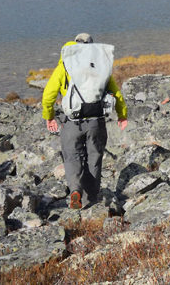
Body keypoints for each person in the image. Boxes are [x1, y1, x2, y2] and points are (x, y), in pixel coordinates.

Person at [41, 32, 128, 209]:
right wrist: (122, 114)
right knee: (94, 158)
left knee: (72, 156)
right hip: (96, 121)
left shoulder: (64, 66)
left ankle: (75, 191)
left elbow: (48, 96)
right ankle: (91, 200)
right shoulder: (99, 66)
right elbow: (116, 94)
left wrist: (49, 116)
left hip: (72, 122)